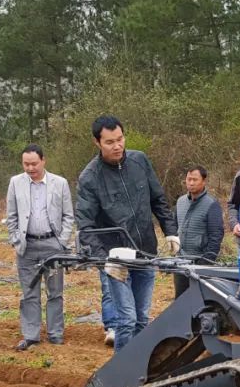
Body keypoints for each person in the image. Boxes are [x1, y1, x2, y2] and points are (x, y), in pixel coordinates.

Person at [75, 116, 179, 352]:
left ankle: (139, 368)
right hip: (116, 259)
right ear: (97, 143)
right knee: (126, 320)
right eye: (110, 142)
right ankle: (122, 375)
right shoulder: (90, 177)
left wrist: (170, 231)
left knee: (142, 318)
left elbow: (158, 200)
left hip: (145, 252)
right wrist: (105, 260)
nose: (117, 146)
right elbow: (86, 225)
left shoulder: (139, 161)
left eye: (120, 139)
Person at [6, 144, 74, 350]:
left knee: (55, 292)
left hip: (52, 245)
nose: (30, 168)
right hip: (27, 247)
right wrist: (17, 239)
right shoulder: (15, 183)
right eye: (26, 164)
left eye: (34, 163)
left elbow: (68, 215)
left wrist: (62, 241)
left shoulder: (60, 183)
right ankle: (31, 335)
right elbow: (12, 216)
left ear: (43, 161)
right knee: (29, 292)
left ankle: (55, 333)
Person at [173, 166, 224, 297]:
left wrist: (205, 263)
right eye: (188, 179)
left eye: (195, 179)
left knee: (200, 302)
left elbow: (216, 236)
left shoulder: (212, 204)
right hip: (181, 262)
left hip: (200, 263)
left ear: (204, 181)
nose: (191, 183)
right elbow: (174, 227)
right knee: (180, 301)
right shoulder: (180, 202)